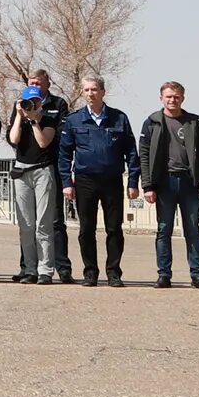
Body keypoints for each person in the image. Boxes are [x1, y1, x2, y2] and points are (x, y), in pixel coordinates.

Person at [58, 75, 138, 286]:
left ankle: (113, 273)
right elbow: (64, 154)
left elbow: (131, 152)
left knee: (114, 229)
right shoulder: (74, 120)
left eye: (94, 89)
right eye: (87, 90)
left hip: (112, 180)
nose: (91, 94)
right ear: (83, 93)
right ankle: (90, 272)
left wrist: (133, 182)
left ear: (103, 92)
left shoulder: (119, 118)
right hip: (85, 181)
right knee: (86, 229)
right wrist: (66, 182)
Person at [138, 82, 199, 288]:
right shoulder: (152, 122)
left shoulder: (193, 124)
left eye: (176, 97)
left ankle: (197, 274)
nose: (172, 100)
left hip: (189, 183)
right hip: (164, 183)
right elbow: (143, 156)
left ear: (183, 98)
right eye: (169, 96)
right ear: (161, 98)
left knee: (193, 229)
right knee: (164, 229)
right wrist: (148, 186)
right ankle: (164, 274)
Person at [2, 75, 69, 284]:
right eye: (27, 101)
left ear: (41, 101)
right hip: (21, 172)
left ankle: (45, 270)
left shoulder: (47, 119)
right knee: (26, 225)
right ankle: (29, 269)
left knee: (44, 224)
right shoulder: (18, 117)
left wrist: (33, 119)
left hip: (43, 171)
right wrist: (20, 116)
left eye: (36, 101)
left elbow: (43, 143)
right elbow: (13, 140)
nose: (32, 104)